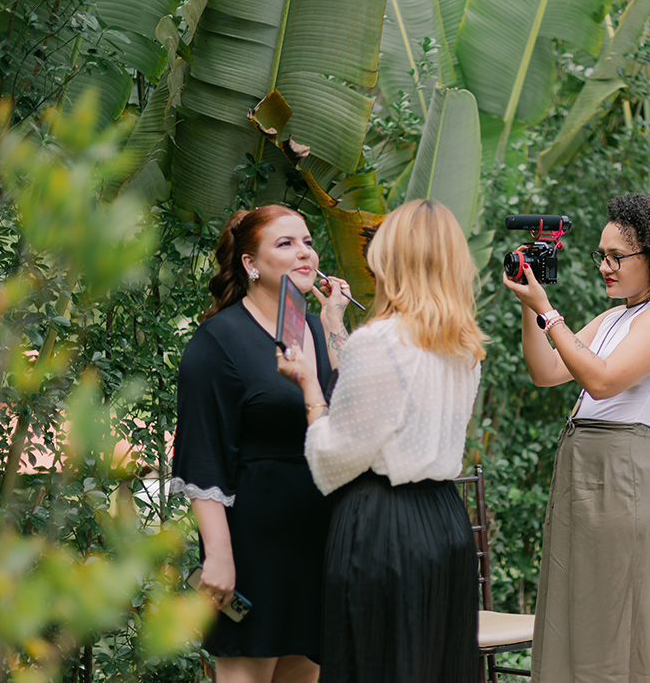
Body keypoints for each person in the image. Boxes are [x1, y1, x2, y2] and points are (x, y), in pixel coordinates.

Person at [503, 193, 650, 683]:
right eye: (602, 255)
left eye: (618, 256)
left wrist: (549, 312)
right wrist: (528, 303)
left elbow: (601, 379)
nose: (606, 267)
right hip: (582, 467)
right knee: (573, 612)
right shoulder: (616, 316)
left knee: (622, 619)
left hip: (624, 472)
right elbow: (546, 369)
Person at [276, 199, 487, 683]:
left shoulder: (381, 342)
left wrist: (310, 388)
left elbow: (334, 457)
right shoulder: (464, 345)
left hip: (384, 527)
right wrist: (334, 327)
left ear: (392, 261)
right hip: (444, 522)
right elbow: (393, 395)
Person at [172, 205, 353, 683]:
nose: (304, 253)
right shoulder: (218, 340)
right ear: (251, 264)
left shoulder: (315, 329)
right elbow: (201, 455)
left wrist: (333, 317)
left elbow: (354, 407)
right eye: (286, 243)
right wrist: (218, 555)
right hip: (253, 546)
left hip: (319, 538)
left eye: (309, 242)